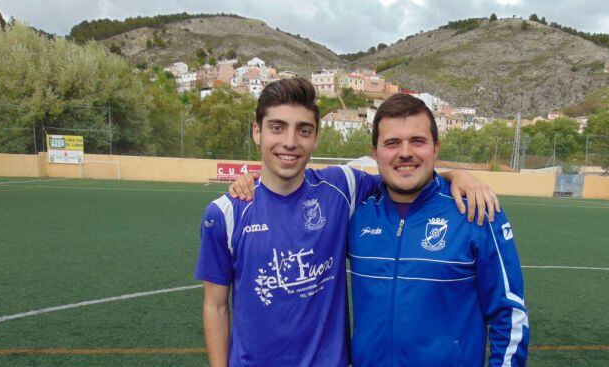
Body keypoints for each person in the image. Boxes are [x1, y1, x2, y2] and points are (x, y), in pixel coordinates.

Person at [195, 78, 499, 367]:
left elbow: (403, 175)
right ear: (257, 132)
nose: (289, 142)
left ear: (315, 138)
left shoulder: (342, 187)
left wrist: (455, 176)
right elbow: (215, 306)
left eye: (303, 130)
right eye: (277, 128)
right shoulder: (225, 213)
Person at [348, 93, 529, 366]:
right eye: (392, 143)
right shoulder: (357, 213)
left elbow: (510, 314)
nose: (405, 152)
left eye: (417, 141)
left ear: (436, 149)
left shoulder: (475, 210)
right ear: (375, 153)